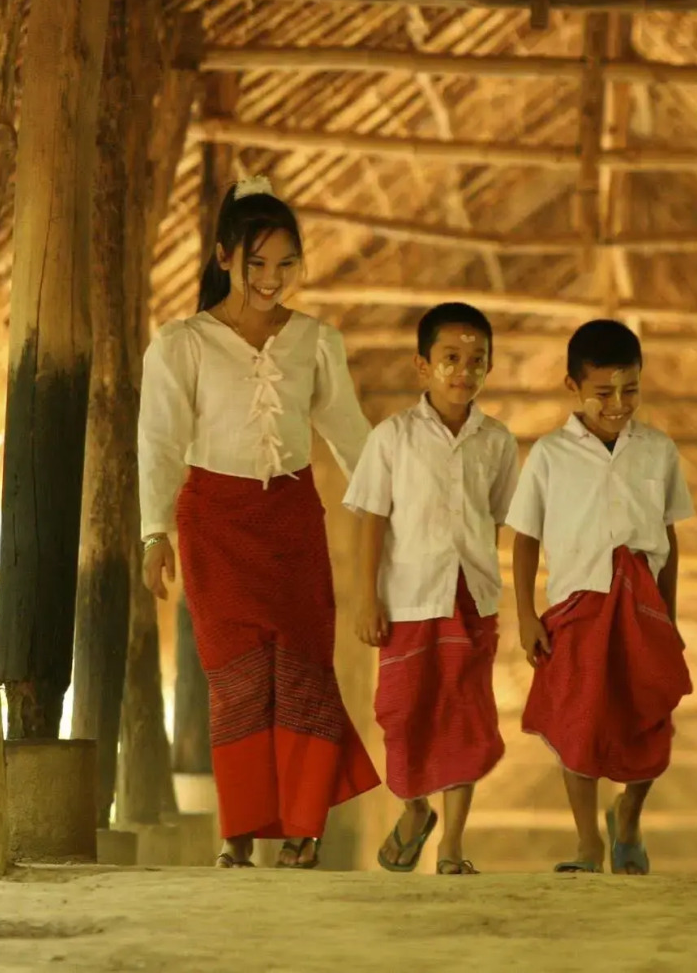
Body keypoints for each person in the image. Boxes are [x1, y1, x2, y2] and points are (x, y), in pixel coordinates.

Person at [139, 176, 381, 870]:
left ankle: (302, 833)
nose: (272, 279)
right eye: (256, 264)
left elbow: (349, 433)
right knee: (239, 677)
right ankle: (236, 836)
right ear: (223, 258)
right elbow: (157, 442)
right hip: (214, 521)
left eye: (285, 264)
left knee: (304, 670)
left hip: (294, 521)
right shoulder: (180, 344)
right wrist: (154, 531)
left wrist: (399, 504)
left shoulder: (315, 341)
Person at [506, 320, 694, 875]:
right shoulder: (548, 455)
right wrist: (524, 615)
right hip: (576, 604)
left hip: (643, 611)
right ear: (572, 386)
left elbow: (669, 536)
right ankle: (589, 843)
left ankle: (628, 816)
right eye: (603, 392)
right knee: (576, 723)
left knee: (651, 721)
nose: (618, 404)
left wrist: (670, 616)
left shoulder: (658, 450)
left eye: (630, 389)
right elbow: (525, 538)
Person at [343, 302, 517, 876]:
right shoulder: (392, 437)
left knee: (464, 718)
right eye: (450, 358)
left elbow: (499, 519)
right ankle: (415, 810)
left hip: (471, 600)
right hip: (408, 598)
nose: (463, 371)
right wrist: (366, 598)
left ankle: (452, 848)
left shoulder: (496, 442)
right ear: (423, 367)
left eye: (476, 360)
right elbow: (370, 519)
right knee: (401, 713)